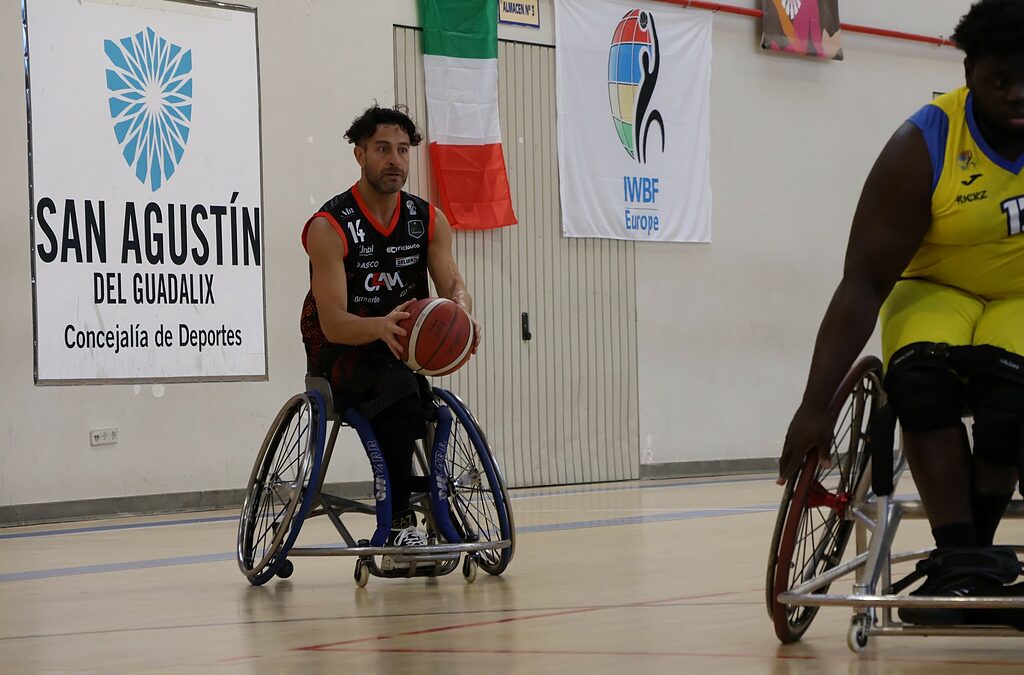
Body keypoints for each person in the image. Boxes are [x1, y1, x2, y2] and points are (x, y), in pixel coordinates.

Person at [777, 0, 1024, 624]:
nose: (1018, 95)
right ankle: (962, 558)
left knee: (1012, 401)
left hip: (1019, 296)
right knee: (918, 385)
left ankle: (969, 559)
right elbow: (862, 283)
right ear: (969, 73)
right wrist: (813, 403)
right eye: (1001, 81)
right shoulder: (922, 145)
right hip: (934, 287)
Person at [300, 104, 480, 560]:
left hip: (401, 351)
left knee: (420, 399)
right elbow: (332, 321)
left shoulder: (428, 220)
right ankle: (400, 519)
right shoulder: (329, 226)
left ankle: (433, 500)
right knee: (400, 391)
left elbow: (453, 285)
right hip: (342, 351)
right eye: (382, 149)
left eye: (402, 150)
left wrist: (461, 314)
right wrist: (379, 327)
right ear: (360, 154)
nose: (395, 160)